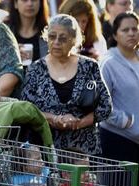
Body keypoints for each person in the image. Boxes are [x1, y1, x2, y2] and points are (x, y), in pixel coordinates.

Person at [21, 14, 111, 155]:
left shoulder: (89, 66)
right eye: (52, 36)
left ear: (74, 40)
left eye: (63, 38)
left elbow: (106, 107)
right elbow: (26, 109)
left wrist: (78, 123)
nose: (56, 42)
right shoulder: (35, 69)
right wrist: (55, 119)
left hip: (84, 152)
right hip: (46, 151)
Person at [99, 12, 139, 186]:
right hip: (117, 142)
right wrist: (124, 121)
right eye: (125, 30)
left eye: (135, 29)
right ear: (115, 35)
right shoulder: (108, 63)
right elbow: (99, 104)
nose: (131, 33)